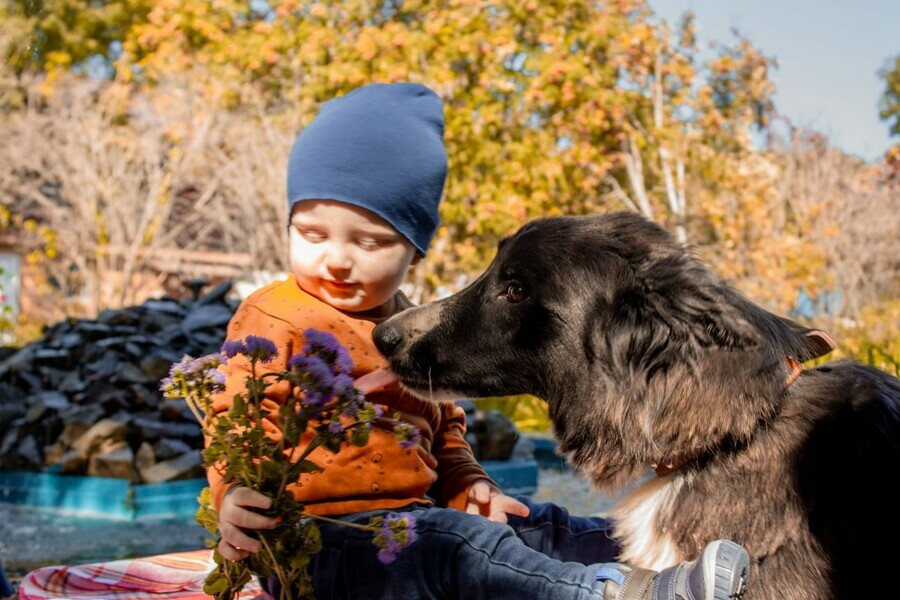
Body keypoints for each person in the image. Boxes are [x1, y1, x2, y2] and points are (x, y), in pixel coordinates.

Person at [208, 82, 750, 600]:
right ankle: (617, 592)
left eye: (369, 242)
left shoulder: (414, 334)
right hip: (315, 546)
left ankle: (682, 561)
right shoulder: (272, 317)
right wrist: (233, 495)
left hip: (412, 526)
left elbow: (445, 434)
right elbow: (234, 423)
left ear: (414, 251)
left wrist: (471, 484)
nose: (338, 258)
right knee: (457, 548)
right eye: (312, 233)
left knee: (535, 524)